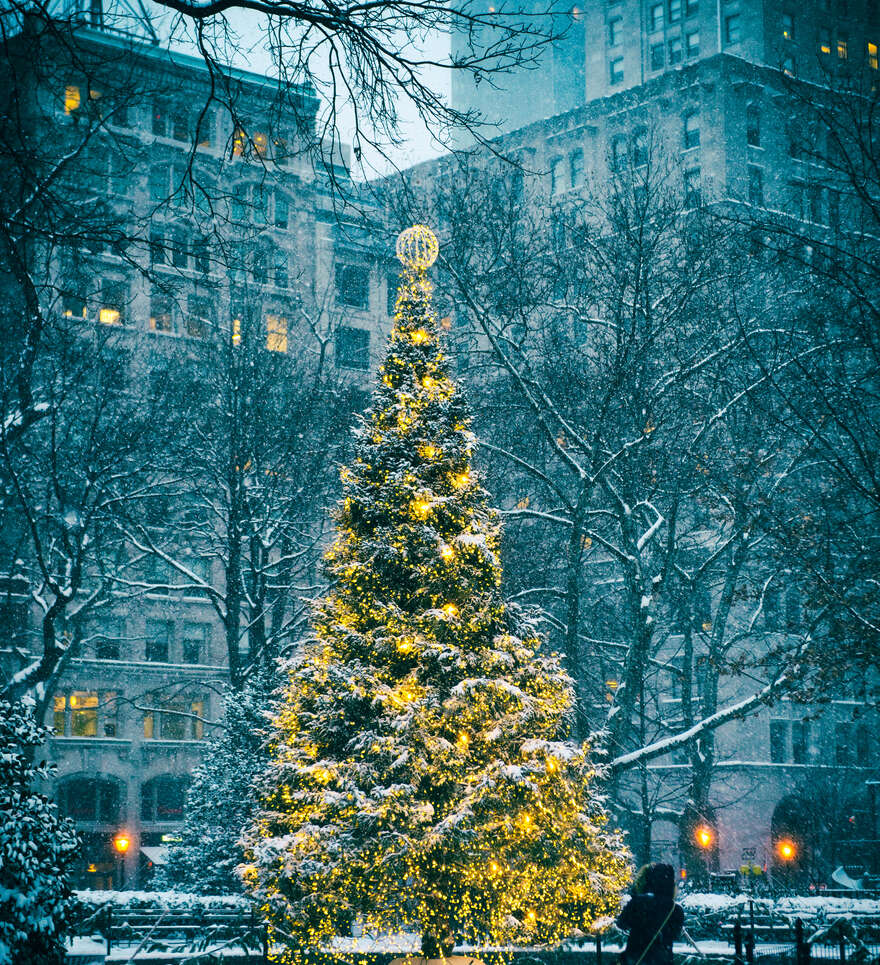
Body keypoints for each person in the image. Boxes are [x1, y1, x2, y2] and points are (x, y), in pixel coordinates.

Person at [616, 862, 684, 965]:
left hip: (635, 958)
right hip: (662, 960)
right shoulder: (675, 909)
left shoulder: (637, 904)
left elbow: (621, 924)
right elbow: (675, 934)